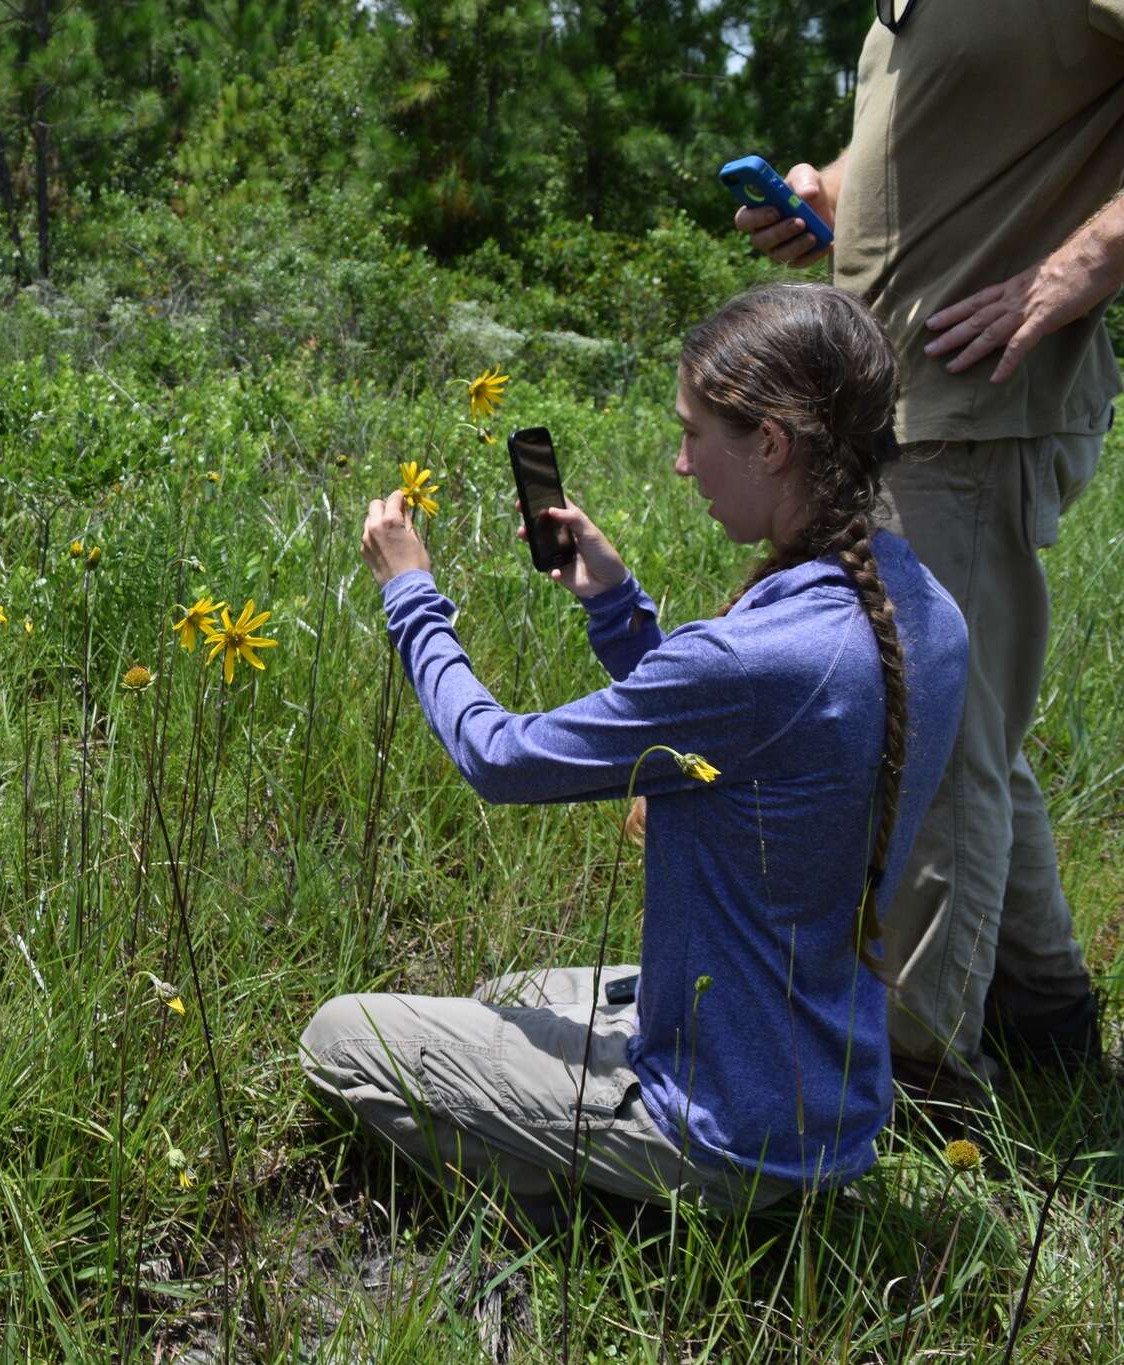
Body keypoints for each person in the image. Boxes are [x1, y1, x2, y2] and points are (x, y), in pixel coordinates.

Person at [300, 283, 967, 1218]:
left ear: (772, 442)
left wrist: (413, 596)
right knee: (513, 991)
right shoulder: (923, 611)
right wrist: (616, 608)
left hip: (725, 1127)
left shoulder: (761, 657)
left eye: (695, 433)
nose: (682, 463)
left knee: (341, 1035)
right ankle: (634, 1163)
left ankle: (618, 1205)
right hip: (826, 1093)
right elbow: (747, 737)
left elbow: (501, 757)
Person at [731, 3, 1119, 1096]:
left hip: (975, 409)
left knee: (928, 737)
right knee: (963, 717)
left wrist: (1089, 258)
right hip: (900, 403)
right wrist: (832, 193)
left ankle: (921, 1076)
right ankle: (1045, 1023)